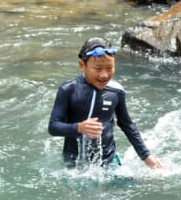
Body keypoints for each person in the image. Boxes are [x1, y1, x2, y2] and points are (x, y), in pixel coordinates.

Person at [48, 37, 162, 169]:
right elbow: (53, 127)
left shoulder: (116, 91)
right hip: (75, 165)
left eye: (109, 68)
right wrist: (78, 128)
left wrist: (146, 156)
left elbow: (127, 124)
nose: (104, 75)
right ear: (82, 65)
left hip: (109, 161)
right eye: (97, 69)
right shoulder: (68, 90)